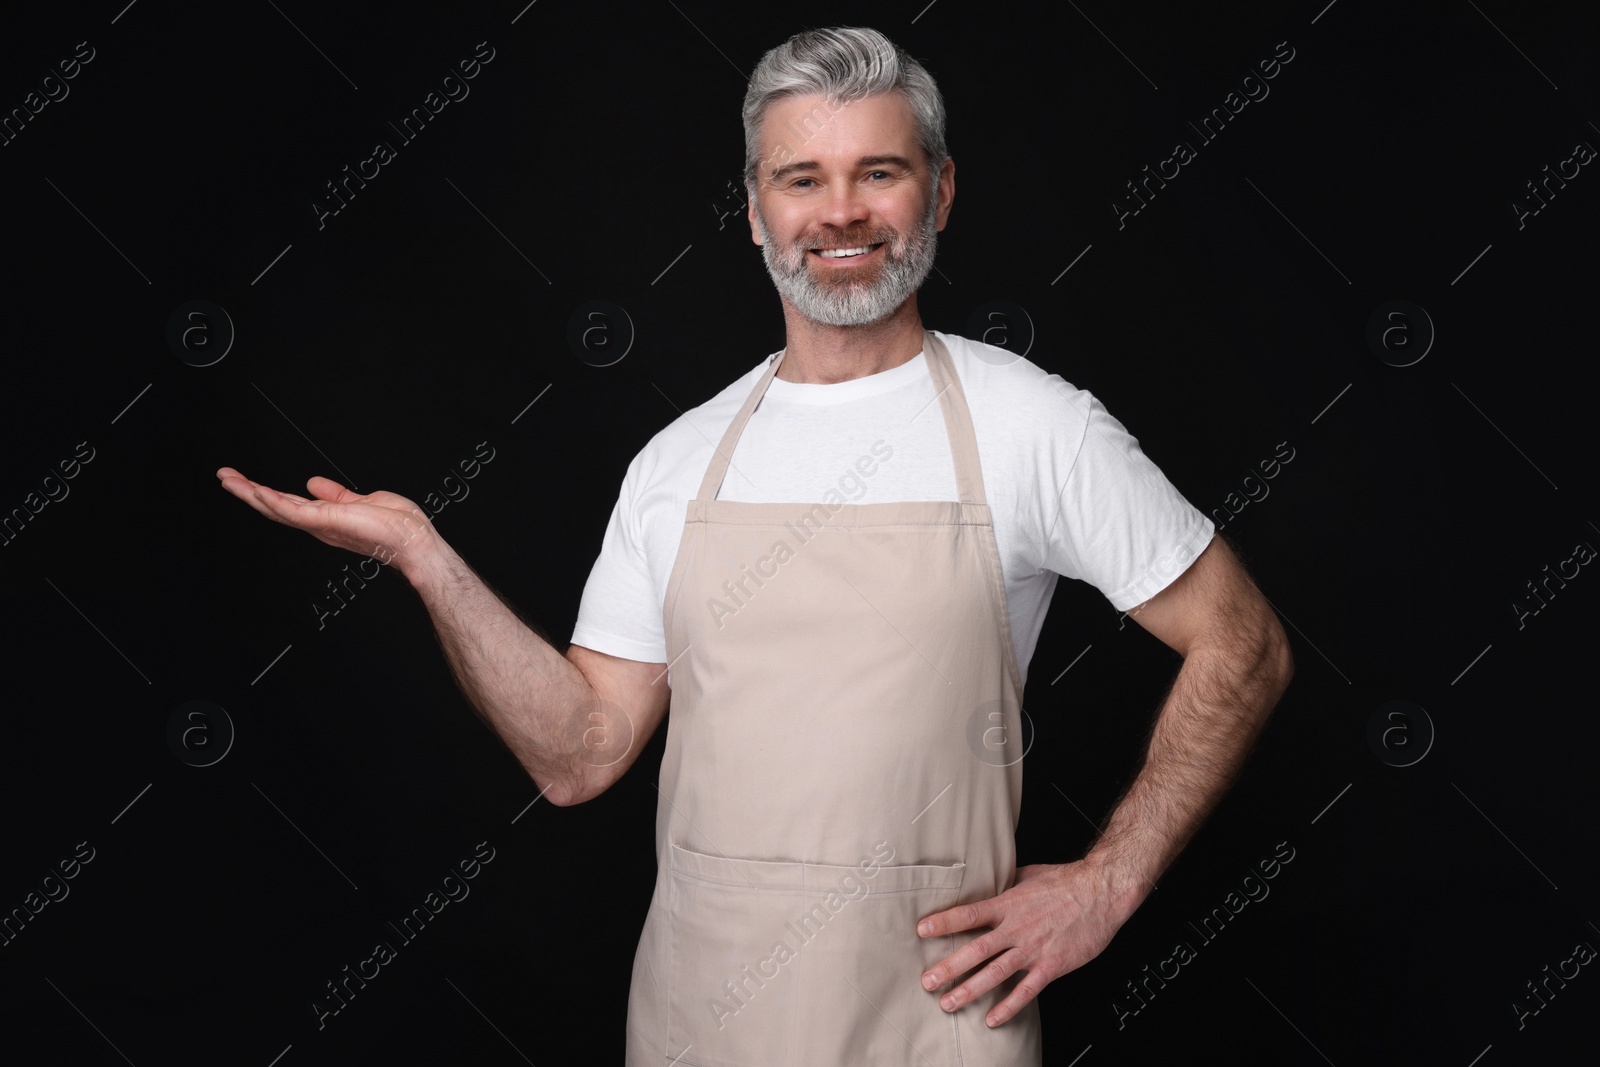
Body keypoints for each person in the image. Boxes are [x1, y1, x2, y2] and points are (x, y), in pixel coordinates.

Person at [218, 25, 1293, 1065]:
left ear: (942, 191)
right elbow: (581, 755)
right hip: (703, 1022)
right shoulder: (678, 461)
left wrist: (1106, 883)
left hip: (932, 1024)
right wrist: (424, 556)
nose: (840, 213)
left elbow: (1241, 642)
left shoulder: (1036, 428)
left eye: (879, 172)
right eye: (800, 178)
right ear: (751, 211)